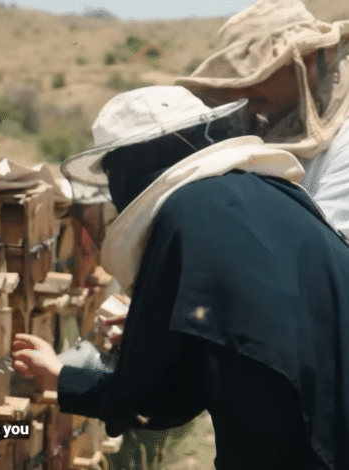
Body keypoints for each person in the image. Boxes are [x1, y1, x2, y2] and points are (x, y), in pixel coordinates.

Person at [17, 85, 349, 470]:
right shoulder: (276, 197)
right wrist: (170, 330)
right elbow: (247, 336)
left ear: (129, 165)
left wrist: (61, 376)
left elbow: (149, 399)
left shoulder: (184, 216)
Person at [174, 0, 349, 236]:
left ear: (308, 62)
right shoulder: (266, 123)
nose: (244, 89)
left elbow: (327, 246)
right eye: (239, 76)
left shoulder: (344, 142)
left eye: (262, 71)